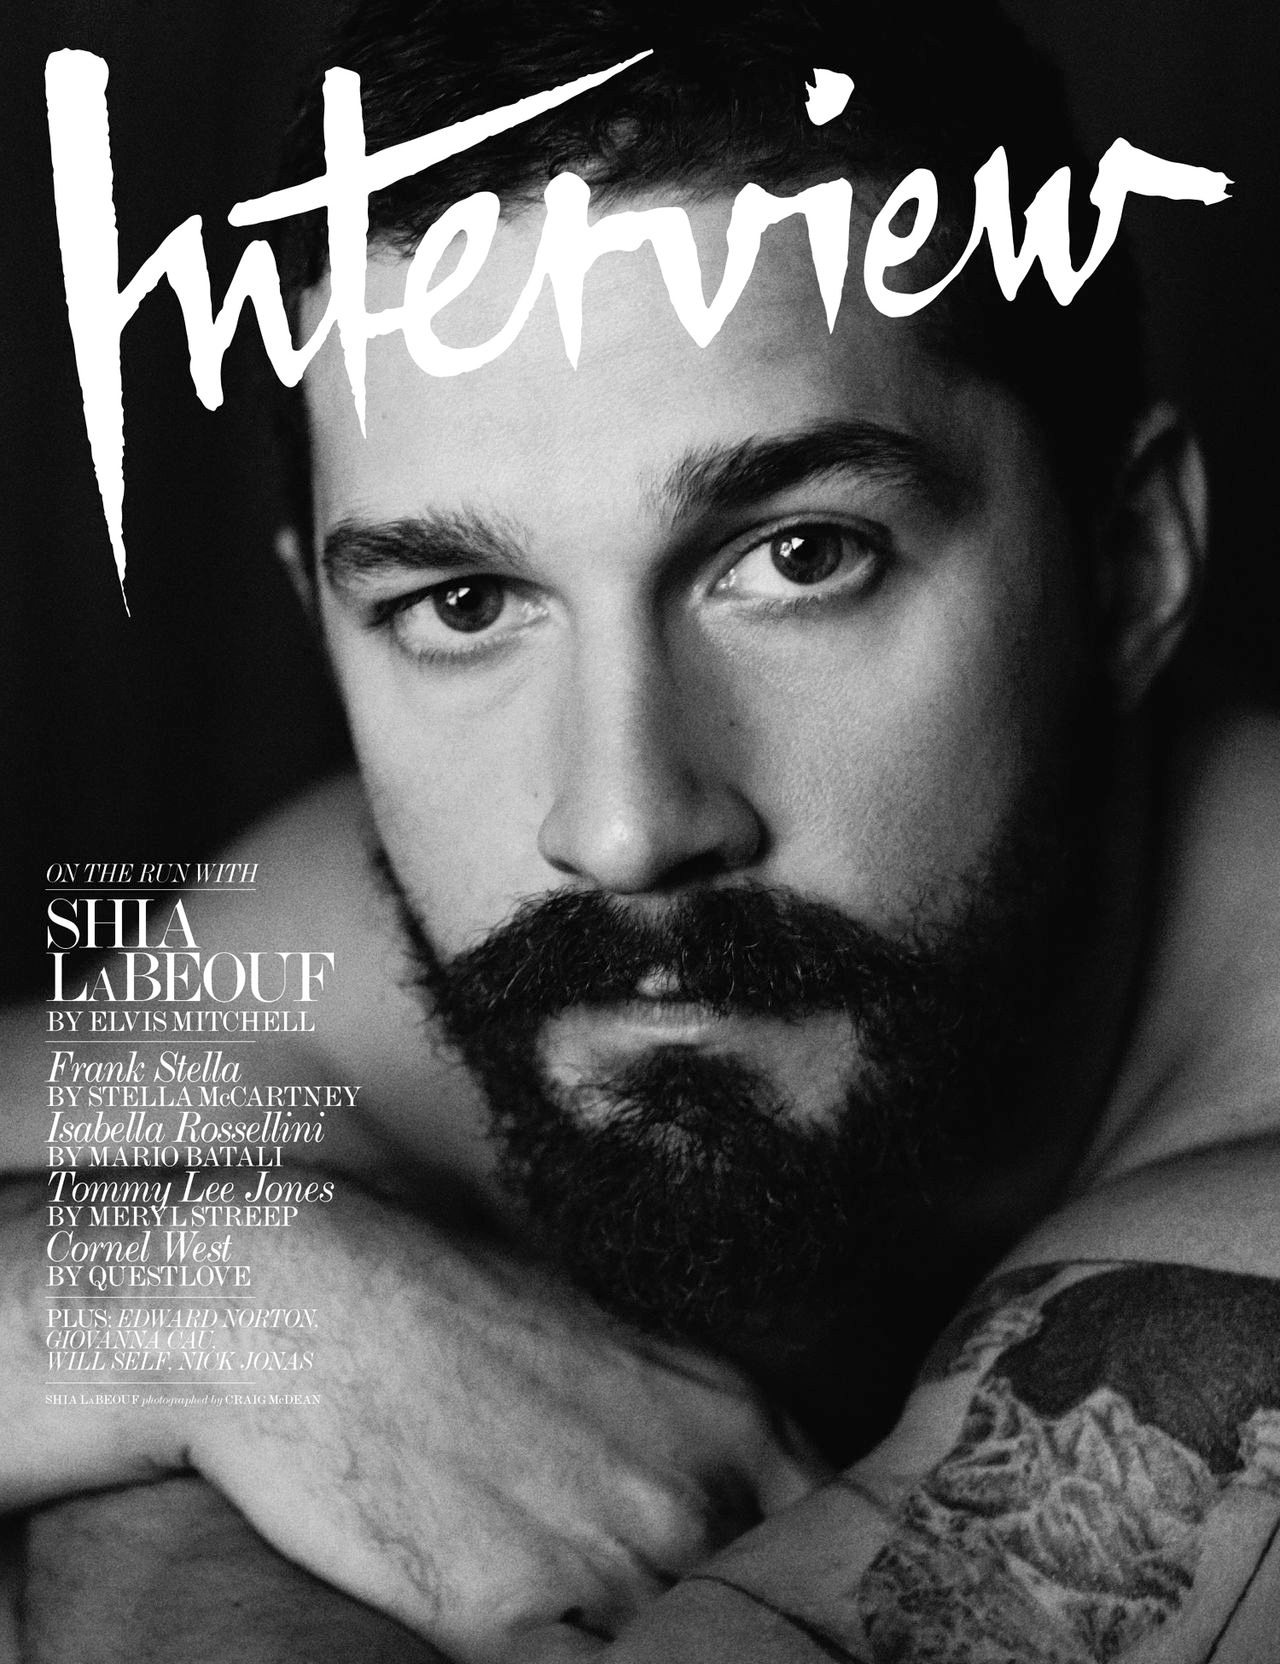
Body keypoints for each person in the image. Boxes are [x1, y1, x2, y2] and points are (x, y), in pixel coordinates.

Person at [5, 0, 1280, 1658]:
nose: (619, 827)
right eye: (467, 602)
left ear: (1130, 565)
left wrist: (148, 1509)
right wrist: (223, 1298)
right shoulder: (334, 970)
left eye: (801, 558)